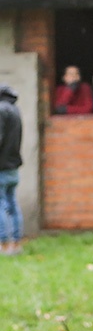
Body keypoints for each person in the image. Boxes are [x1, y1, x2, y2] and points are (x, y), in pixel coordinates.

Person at [0, 85, 22, 255]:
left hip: (1, 166)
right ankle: (16, 243)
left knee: (1, 206)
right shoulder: (15, 110)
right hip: (13, 166)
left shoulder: (1, 110)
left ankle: (3, 244)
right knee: (13, 204)